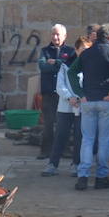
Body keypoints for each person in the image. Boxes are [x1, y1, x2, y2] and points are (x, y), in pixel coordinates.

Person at [72, 22, 109, 190]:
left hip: (88, 101)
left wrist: (80, 94)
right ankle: (101, 177)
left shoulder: (86, 53)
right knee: (104, 140)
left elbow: (71, 72)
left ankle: (83, 176)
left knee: (87, 140)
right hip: (107, 101)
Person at [41, 36, 87, 177]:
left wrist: (80, 98)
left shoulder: (91, 66)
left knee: (79, 136)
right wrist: (69, 97)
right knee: (61, 135)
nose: (85, 52)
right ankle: (53, 164)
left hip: (82, 105)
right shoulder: (65, 64)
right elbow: (60, 85)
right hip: (66, 106)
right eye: (83, 49)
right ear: (77, 50)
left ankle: (76, 164)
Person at [36, 24, 76, 159]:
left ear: (65, 36)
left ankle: (64, 149)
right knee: (48, 123)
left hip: (64, 93)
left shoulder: (71, 51)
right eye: (53, 34)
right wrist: (61, 65)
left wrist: (57, 62)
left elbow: (69, 67)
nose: (55, 37)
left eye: (58, 34)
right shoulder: (44, 51)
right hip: (49, 92)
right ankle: (45, 150)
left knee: (63, 123)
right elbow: (43, 66)